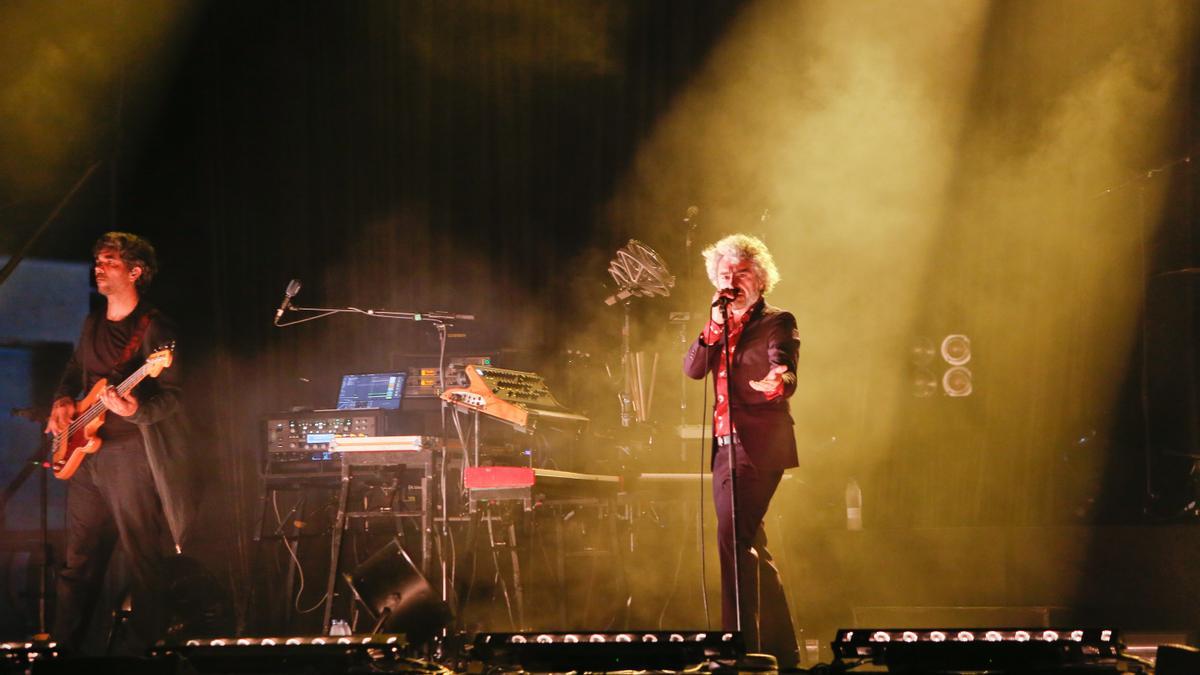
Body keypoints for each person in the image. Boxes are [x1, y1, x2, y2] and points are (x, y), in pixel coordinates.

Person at [45, 232, 197, 654]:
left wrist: (135, 412)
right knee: (79, 563)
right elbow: (75, 372)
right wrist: (61, 400)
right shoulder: (92, 322)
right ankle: (64, 652)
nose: (98, 267)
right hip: (87, 453)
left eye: (109, 261)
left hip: (131, 455)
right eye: (97, 260)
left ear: (134, 271)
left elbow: (175, 396)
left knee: (143, 557)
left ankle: (142, 653)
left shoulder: (155, 328)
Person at [683, 233, 800, 667]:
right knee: (749, 544)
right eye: (725, 273)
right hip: (725, 447)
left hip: (759, 446)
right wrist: (713, 325)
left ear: (761, 278)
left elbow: (783, 364)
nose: (733, 280)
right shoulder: (717, 325)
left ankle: (738, 650)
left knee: (732, 538)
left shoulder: (777, 320)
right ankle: (782, 651)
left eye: (742, 272)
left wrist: (778, 382)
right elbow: (693, 369)